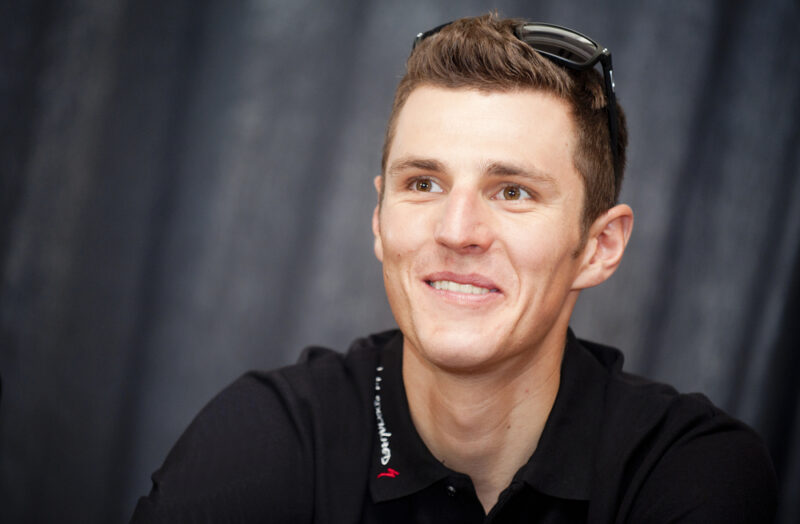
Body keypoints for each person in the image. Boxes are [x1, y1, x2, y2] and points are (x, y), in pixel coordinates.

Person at [131, 14, 777, 523]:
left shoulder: (685, 472)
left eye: (513, 192)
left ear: (599, 247)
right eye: (423, 183)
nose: (457, 231)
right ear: (380, 220)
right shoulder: (267, 439)